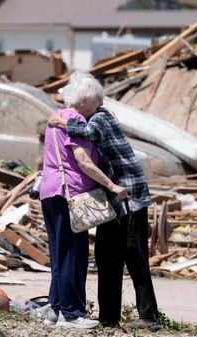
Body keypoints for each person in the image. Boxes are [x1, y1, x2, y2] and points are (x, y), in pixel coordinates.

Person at [48, 71, 160, 331]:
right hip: (112, 198)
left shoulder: (100, 117)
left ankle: (148, 316)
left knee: (134, 256)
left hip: (128, 196)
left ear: (87, 100)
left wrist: (61, 122)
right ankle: (108, 317)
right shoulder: (96, 114)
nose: (75, 108)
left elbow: (88, 132)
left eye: (78, 103)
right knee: (106, 255)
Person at [39, 73, 126, 329]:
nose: (99, 108)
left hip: (50, 191)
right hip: (70, 193)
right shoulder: (76, 119)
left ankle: (55, 309)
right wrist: (111, 185)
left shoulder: (57, 117)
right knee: (73, 255)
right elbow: (83, 160)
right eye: (97, 102)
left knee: (58, 254)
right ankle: (71, 313)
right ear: (86, 99)